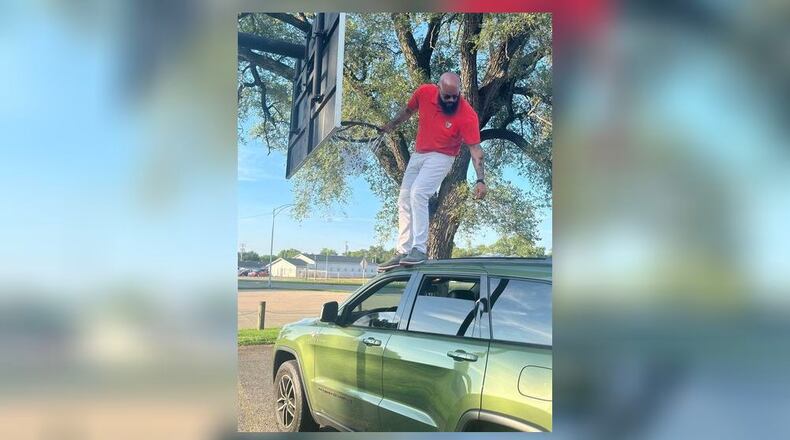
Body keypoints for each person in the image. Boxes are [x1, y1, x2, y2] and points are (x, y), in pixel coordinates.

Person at [378, 72, 486, 270]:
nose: (452, 100)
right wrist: (390, 126)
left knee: (419, 192)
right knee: (403, 199)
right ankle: (403, 250)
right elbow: (408, 111)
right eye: (447, 96)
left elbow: (475, 150)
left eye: (456, 96)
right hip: (419, 154)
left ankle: (419, 249)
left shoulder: (467, 114)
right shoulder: (424, 92)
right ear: (438, 88)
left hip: (442, 156)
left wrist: (480, 180)